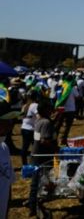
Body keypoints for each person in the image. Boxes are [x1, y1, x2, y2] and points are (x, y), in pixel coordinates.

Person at [28, 100, 58, 216]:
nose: (52, 110)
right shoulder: (46, 122)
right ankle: (33, 206)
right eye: (50, 109)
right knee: (38, 182)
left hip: (37, 154)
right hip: (42, 156)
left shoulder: (39, 121)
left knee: (37, 182)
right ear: (45, 110)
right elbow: (45, 140)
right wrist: (56, 148)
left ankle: (33, 204)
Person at [0, 90, 21, 219]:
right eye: (5, 121)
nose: (10, 125)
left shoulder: (4, 148)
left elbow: (8, 184)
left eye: (11, 121)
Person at [20, 91, 39, 166]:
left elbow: (21, 116)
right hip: (31, 129)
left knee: (25, 147)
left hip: (24, 128)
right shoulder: (35, 105)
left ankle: (24, 164)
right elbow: (38, 116)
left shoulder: (25, 105)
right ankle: (34, 163)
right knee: (36, 147)